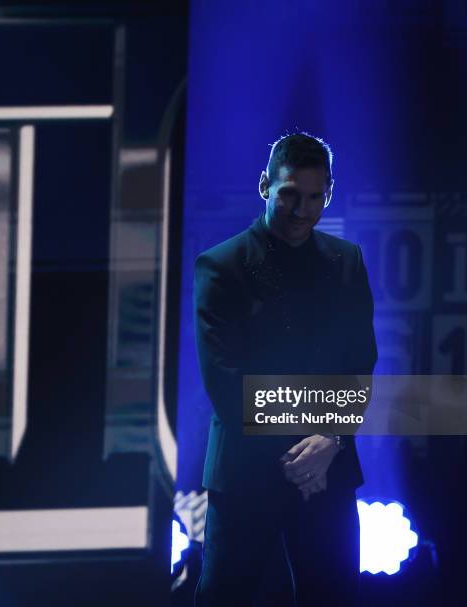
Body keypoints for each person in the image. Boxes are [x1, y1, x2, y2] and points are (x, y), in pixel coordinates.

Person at [192, 132, 378, 606]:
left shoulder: (346, 262)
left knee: (334, 597)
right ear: (265, 186)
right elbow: (225, 382)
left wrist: (330, 442)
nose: (303, 210)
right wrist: (307, 453)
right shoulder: (221, 266)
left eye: (316, 197)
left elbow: (360, 362)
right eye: (291, 194)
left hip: (327, 468)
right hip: (249, 475)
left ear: (330, 193)